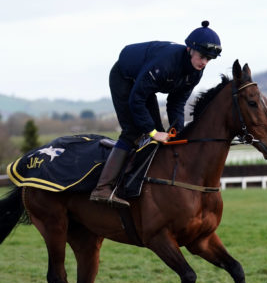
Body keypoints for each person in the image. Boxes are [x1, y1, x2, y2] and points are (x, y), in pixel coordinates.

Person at [90, 20, 222, 207]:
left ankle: (143, 181)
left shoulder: (195, 73)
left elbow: (177, 102)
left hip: (142, 84)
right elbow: (136, 99)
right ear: (189, 49)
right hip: (125, 78)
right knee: (133, 132)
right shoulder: (166, 63)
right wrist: (152, 132)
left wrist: (176, 130)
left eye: (209, 59)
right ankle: (102, 188)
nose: (204, 63)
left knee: (160, 134)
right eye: (202, 56)